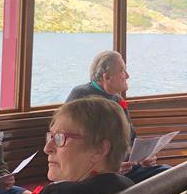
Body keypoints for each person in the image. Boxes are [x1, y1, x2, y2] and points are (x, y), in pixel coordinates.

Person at [0, 97, 133, 194]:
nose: (47, 148)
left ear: (99, 150)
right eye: (51, 137)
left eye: (60, 137)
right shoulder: (128, 188)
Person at [66, 51, 169, 184]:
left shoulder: (117, 98)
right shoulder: (81, 96)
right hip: (96, 174)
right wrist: (108, 168)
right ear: (107, 77)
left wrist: (145, 157)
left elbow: (130, 138)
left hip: (127, 167)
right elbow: (72, 146)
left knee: (170, 173)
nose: (127, 76)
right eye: (122, 71)